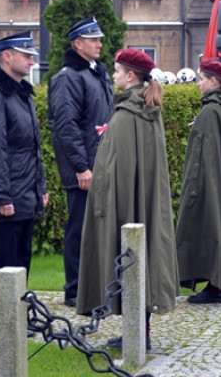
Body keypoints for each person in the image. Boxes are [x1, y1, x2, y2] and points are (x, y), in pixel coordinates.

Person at [76, 48, 178, 331]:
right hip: (138, 201)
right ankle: (138, 329)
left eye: (118, 72)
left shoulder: (128, 113)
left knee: (130, 256)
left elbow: (116, 170)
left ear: (130, 76)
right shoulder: (145, 109)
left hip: (124, 205)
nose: (114, 76)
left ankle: (136, 333)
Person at [0, 31, 47, 336]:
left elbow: (33, 147)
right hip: (6, 196)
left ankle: (17, 316)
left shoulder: (21, 93)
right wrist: (2, 195)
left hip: (24, 192)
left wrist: (40, 187)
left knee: (21, 261)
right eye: (25, 55)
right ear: (6, 56)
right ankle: (2, 322)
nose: (31, 60)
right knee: (3, 263)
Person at [48, 16, 114, 308]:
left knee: (97, 229)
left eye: (99, 38)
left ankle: (94, 285)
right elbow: (65, 126)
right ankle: (74, 289)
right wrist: (80, 167)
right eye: (93, 39)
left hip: (100, 162)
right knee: (79, 229)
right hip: (84, 168)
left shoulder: (96, 72)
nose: (100, 43)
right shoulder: (68, 77)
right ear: (78, 44)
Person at [175, 58, 221, 304]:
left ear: (214, 81)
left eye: (202, 79)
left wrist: (192, 189)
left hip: (209, 182)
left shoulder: (210, 111)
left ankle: (216, 286)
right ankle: (218, 283)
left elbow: (199, 156)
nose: (198, 84)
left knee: (211, 226)